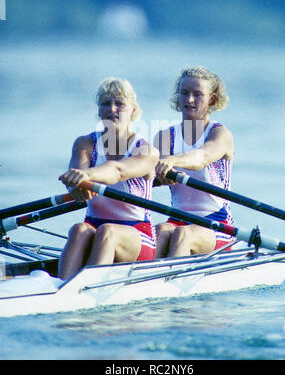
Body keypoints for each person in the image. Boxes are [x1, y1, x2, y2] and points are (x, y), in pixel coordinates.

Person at [58, 78, 159, 279]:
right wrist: (76, 187)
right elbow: (77, 180)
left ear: (132, 110)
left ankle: (86, 288)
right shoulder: (85, 143)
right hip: (93, 226)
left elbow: (118, 171)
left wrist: (87, 176)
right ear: (99, 111)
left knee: (108, 232)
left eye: (119, 103)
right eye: (105, 103)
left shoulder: (146, 151)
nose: (112, 109)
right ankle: (60, 288)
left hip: (138, 234)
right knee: (78, 229)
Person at [154, 66, 235, 258]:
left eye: (197, 94)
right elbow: (147, 175)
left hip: (217, 223)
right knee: (157, 232)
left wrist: (171, 161)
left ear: (212, 99)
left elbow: (201, 158)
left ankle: (169, 281)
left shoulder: (219, 133)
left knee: (183, 234)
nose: (189, 100)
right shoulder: (165, 137)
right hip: (177, 219)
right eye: (184, 93)